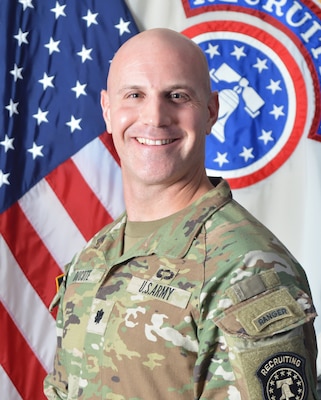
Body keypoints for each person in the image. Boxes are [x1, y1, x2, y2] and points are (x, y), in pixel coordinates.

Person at [44, 28, 318, 399]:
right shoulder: (95, 256)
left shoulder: (248, 271)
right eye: (135, 95)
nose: (155, 117)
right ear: (108, 111)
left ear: (210, 112)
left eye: (177, 96)